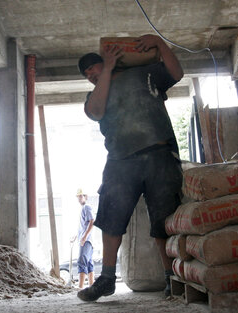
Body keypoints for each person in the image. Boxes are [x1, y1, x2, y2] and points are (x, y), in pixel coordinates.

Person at [76, 34, 183, 302]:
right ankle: (107, 279)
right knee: (111, 217)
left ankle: (171, 278)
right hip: (121, 161)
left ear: (105, 61)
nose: (90, 74)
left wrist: (160, 43)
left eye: (93, 67)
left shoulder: (143, 74)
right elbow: (97, 111)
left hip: (160, 155)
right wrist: (106, 71)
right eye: (86, 72)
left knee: (164, 219)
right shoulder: (94, 95)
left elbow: (177, 73)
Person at [73, 188, 95, 289]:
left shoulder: (87, 207)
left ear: (85, 197)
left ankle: (80, 287)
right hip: (87, 240)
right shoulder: (83, 208)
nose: (79, 198)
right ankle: (92, 287)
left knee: (82, 261)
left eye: (81, 196)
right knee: (89, 263)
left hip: (86, 241)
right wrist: (77, 236)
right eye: (78, 196)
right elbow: (84, 226)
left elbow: (92, 221)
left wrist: (84, 237)